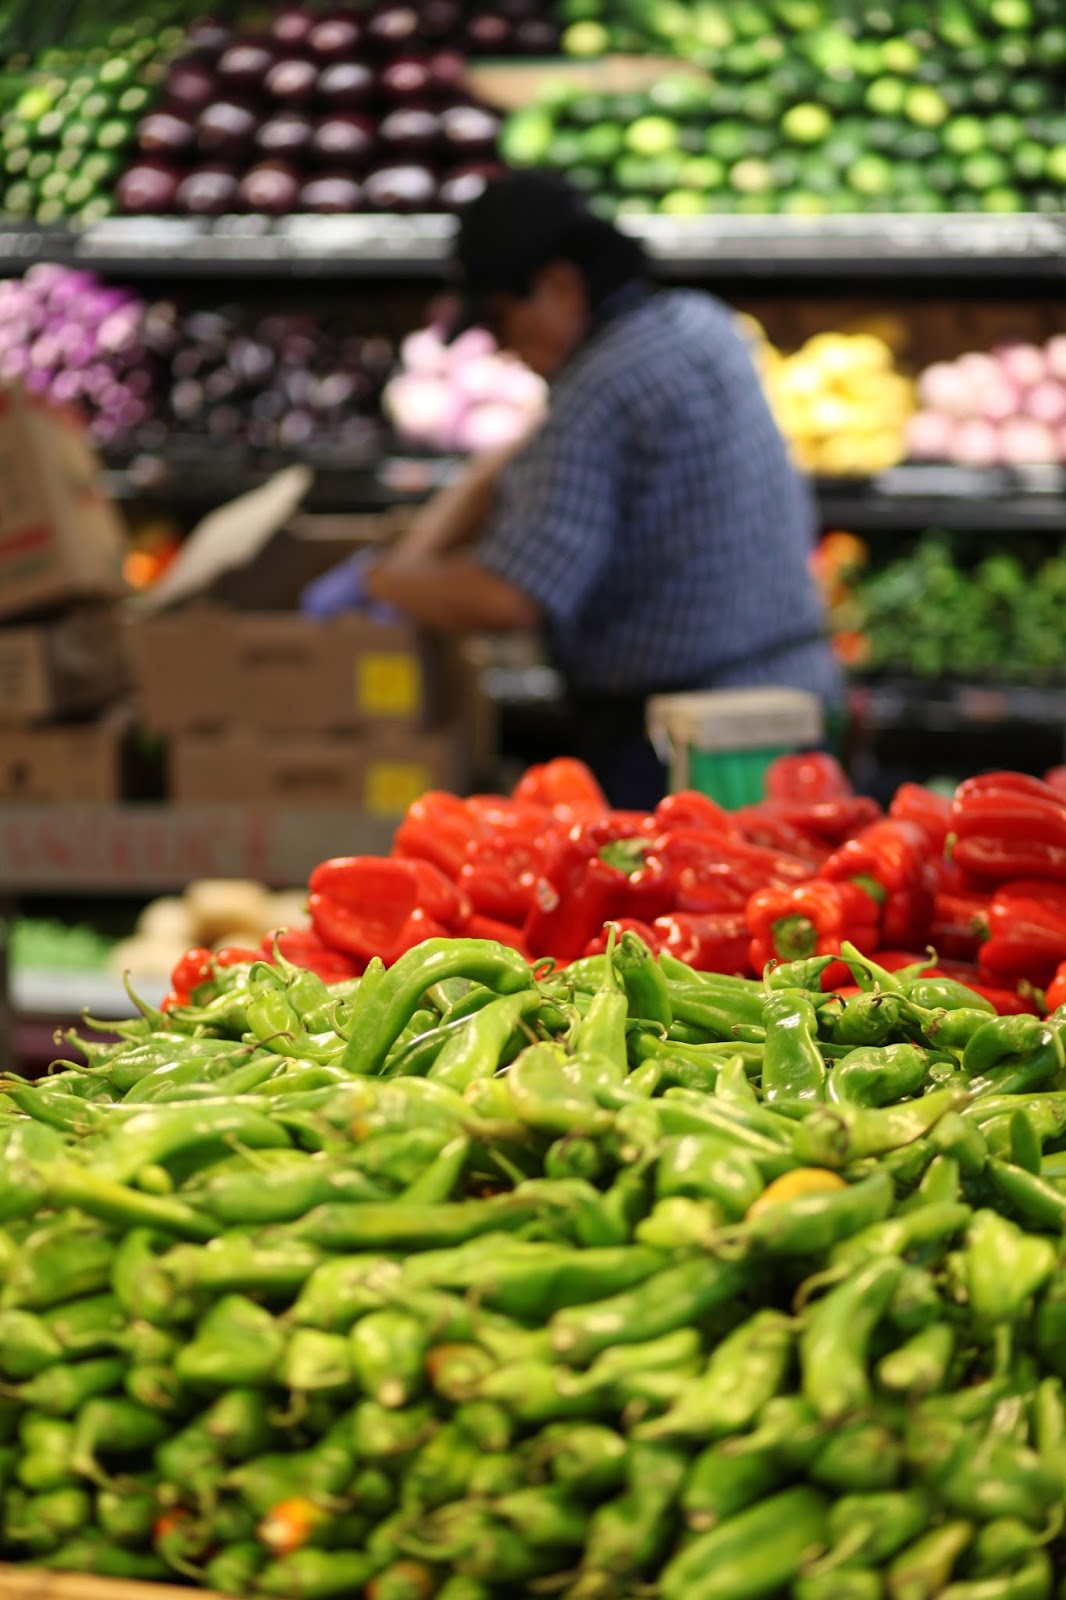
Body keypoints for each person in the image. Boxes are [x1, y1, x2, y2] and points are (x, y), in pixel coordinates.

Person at [302, 170, 841, 808]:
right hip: (794, 703)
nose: (501, 347)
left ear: (559, 285)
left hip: (685, 740)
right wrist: (415, 553)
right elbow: (519, 456)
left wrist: (378, 581)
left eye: (500, 320)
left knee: (680, 872)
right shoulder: (698, 321)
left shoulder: (599, 392)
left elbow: (510, 597)